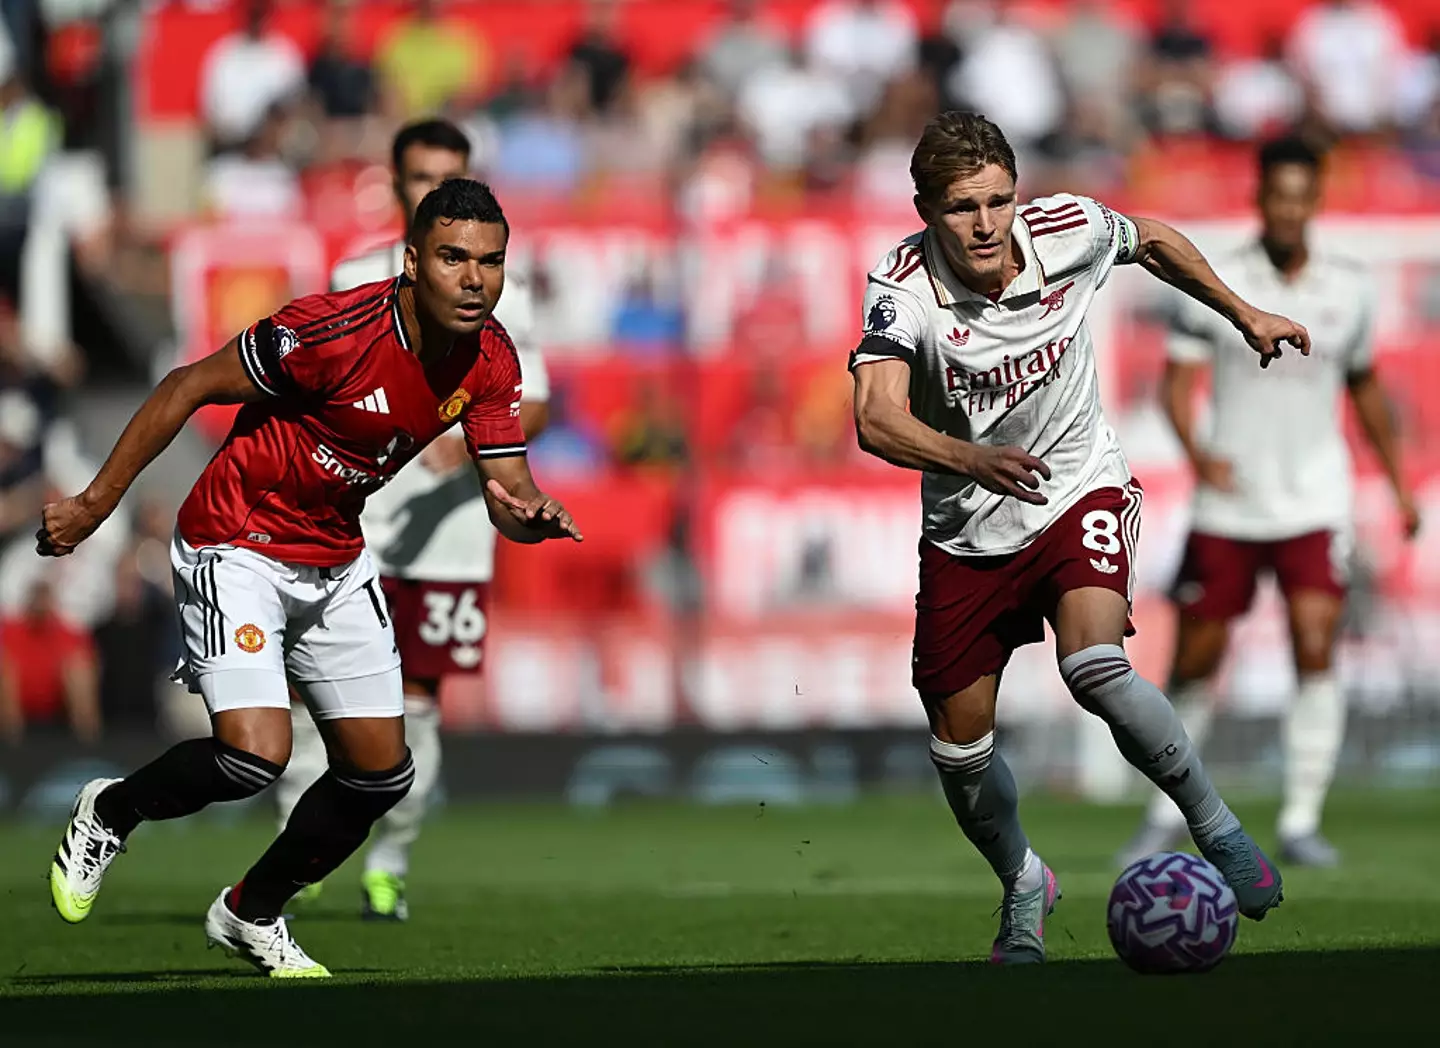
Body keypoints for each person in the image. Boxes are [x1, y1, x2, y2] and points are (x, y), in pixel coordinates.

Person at [39, 178, 582, 978]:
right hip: (238, 540)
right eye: (453, 258)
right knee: (253, 755)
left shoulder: (492, 358)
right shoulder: (332, 333)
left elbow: (509, 492)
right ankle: (110, 810)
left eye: (491, 262)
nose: (475, 280)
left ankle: (250, 912)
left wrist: (530, 515)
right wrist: (94, 504)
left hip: (333, 555)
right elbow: (186, 386)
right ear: (412, 262)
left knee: (379, 775)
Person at [850, 111, 1307, 964]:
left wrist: (1243, 314)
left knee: (1094, 664)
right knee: (960, 751)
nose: (985, 224)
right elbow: (874, 417)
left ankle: (1217, 827)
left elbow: (1154, 241)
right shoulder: (902, 287)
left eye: (998, 201)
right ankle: (1024, 880)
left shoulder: (1069, 229)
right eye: (962, 207)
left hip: (1075, 486)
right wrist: (969, 458)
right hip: (967, 530)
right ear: (925, 211)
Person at [274, 118, 550, 921]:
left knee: (418, 702)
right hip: (351, 523)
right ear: (396, 185)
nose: (437, 189)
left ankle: (389, 862)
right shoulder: (355, 275)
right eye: (422, 176)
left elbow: (533, 396)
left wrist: (465, 440)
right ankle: (300, 851)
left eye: (450, 174)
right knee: (312, 697)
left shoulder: (503, 287)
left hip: (448, 535)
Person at [1119, 137, 1419, 870]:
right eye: (1277, 195)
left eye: (1299, 196)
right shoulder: (1217, 280)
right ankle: (1165, 813)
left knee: (1315, 644)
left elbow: (1364, 387)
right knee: (1197, 660)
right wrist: (1197, 455)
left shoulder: (1349, 286)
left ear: (1315, 201)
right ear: (1260, 198)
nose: (1288, 209)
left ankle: (1301, 820)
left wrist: (1399, 483)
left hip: (1315, 497)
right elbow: (1176, 386)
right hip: (1231, 501)